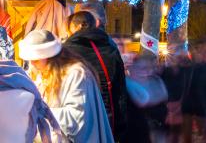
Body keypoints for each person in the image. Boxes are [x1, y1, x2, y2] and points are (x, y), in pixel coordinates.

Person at [19, 29, 114, 142]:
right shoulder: (41, 72)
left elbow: (76, 119)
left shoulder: (76, 74)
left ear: (49, 56)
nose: (32, 65)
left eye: (35, 60)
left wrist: (36, 109)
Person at [63, 11, 128, 141]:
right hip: (108, 117)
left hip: (80, 120)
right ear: (95, 25)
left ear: (76, 26)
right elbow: (120, 90)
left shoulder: (66, 51)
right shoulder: (111, 48)